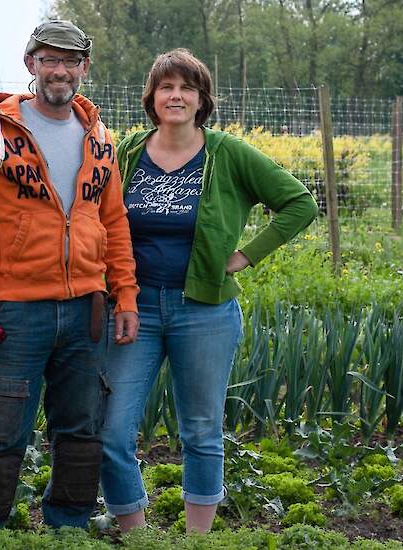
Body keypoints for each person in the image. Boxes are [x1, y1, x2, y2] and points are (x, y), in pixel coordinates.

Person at [99, 48, 318, 534]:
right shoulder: (129, 152)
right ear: (152, 98)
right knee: (111, 430)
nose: (175, 96)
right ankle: (138, 538)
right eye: (166, 87)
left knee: (200, 431)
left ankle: (196, 541)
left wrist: (244, 256)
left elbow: (299, 203)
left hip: (204, 312)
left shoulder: (227, 154)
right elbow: (100, 220)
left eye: (187, 88)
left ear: (202, 100)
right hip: (134, 309)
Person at [0, 20, 140, 536]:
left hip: (86, 307)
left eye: (70, 60)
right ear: (31, 65)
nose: (59, 70)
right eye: (49, 59)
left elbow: (114, 221)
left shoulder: (99, 137)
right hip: (17, 308)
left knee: (81, 431)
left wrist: (125, 296)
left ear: (84, 68)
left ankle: (68, 533)